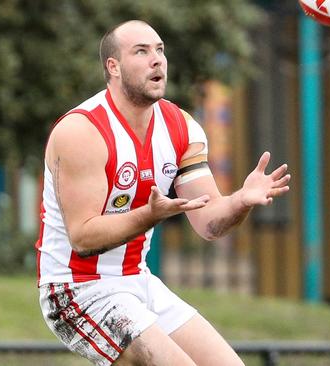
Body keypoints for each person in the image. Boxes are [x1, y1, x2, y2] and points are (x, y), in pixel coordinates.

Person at [36, 19, 290, 366]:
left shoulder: (181, 127)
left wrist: (239, 201)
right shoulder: (82, 131)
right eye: (141, 52)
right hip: (77, 289)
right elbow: (82, 237)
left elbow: (209, 224)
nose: (157, 60)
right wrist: (149, 215)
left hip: (138, 282)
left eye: (160, 50)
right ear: (113, 67)